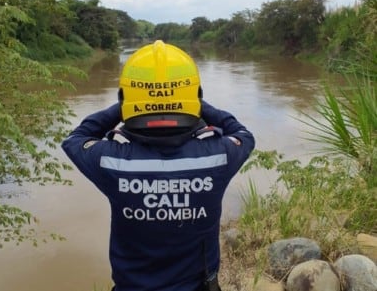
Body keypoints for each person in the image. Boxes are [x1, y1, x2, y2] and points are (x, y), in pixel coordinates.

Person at [61, 41, 255, 291]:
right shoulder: (218, 156)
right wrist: (197, 104)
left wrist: (126, 106)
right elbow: (243, 135)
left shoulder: (112, 160)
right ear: (195, 94)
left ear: (124, 97)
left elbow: (75, 139)